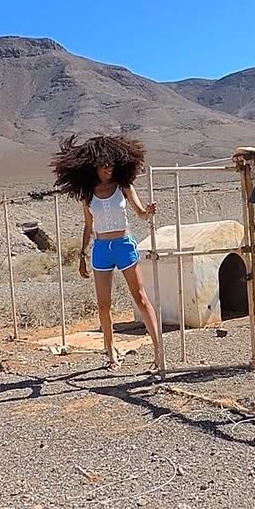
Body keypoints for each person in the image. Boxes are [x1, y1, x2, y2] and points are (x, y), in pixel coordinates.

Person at [51, 134, 162, 370]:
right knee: (104, 305)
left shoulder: (123, 187)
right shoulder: (87, 194)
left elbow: (140, 213)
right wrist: (82, 255)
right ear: (94, 166)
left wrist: (148, 212)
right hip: (101, 249)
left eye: (111, 164)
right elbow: (88, 226)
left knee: (140, 298)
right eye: (103, 165)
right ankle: (110, 351)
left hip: (123, 245)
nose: (108, 169)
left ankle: (158, 351)